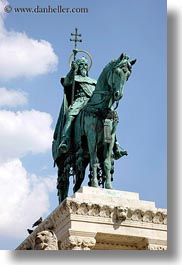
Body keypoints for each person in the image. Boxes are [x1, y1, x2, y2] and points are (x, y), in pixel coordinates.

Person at [58, 56, 127, 158]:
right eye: (81, 64)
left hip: (93, 103)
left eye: (85, 64)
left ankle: (114, 145)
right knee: (70, 115)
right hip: (79, 101)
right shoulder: (74, 78)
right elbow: (67, 82)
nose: (84, 67)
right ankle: (65, 140)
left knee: (109, 115)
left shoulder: (94, 81)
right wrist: (72, 70)